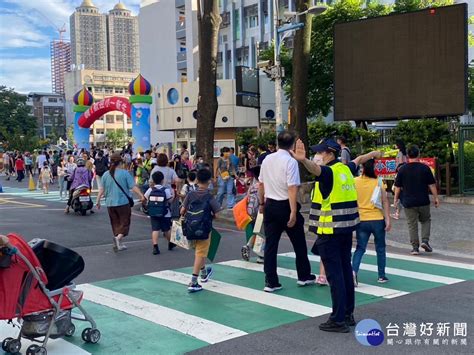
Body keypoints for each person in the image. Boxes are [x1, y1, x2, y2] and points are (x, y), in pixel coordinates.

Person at [293, 137, 383, 333]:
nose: (318, 155)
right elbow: (358, 160)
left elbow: (316, 170)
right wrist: (374, 155)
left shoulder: (329, 172)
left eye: (320, 152)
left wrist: (303, 160)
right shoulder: (344, 169)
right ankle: (348, 314)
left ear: (330, 153)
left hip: (329, 232)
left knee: (335, 277)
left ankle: (338, 319)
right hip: (345, 231)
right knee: (345, 272)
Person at [258, 131, 315, 293]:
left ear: (277, 143)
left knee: (271, 245)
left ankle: (271, 281)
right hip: (285, 205)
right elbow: (292, 188)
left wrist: (261, 203)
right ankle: (303, 276)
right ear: (292, 146)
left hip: (270, 204)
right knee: (298, 243)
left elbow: (260, 184)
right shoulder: (290, 162)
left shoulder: (267, 159)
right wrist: (293, 210)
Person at [352, 159, 391, 286]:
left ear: (362, 167)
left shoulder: (355, 181)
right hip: (377, 219)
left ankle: (353, 272)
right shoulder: (379, 181)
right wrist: (388, 219)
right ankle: (381, 276)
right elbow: (385, 201)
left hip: (361, 219)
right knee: (380, 248)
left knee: (360, 248)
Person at [394, 145, 439, 255]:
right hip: (423, 200)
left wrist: (395, 199)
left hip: (408, 202)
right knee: (425, 220)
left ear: (407, 156)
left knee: (412, 224)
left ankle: (415, 248)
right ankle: (425, 241)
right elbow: (432, 185)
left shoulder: (402, 169)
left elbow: (397, 187)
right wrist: (436, 198)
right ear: (418, 154)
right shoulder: (425, 168)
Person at [180, 168, 220, 293]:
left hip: (190, 228)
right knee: (200, 253)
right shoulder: (209, 196)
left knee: (199, 251)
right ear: (209, 181)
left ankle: (203, 273)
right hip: (204, 228)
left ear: (197, 180)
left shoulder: (190, 194)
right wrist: (211, 216)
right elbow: (217, 213)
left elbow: (182, 210)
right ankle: (193, 281)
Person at [96, 153, 145, 252]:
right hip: (122, 202)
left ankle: (119, 243)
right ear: (120, 162)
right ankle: (118, 239)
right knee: (125, 222)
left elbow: (101, 189)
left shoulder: (106, 174)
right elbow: (133, 186)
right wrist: (141, 195)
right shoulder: (124, 173)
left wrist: (98, 201)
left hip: (110, 203)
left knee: (115, 223)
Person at [145, 171, 175, 255]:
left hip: (153, 212)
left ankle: (155, 246)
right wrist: (174, 194)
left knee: (155, 229)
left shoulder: (150, 189)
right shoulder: (165, 190)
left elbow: (145, 198)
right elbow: (170, 200)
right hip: (165, 213)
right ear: (162, 180)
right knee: (166, 229)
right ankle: (170, 243)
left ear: (153, 180)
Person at [241, 166, 264, 264]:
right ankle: (261, 256)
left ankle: (248, 245)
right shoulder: (262, 185)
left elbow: (247, 198)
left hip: (251, 213)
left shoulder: (252, 186)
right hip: (261, 212)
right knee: (261, 233)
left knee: (256, 231)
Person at [391, 139, 408, 220]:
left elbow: (401, 164)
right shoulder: (405, 153)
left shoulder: (400, 153)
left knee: (397, 191)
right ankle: (397, 212)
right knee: (401, 193)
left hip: (400, 173)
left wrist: (397, 170)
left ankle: (397, 212)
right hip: (404, 174)